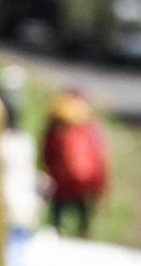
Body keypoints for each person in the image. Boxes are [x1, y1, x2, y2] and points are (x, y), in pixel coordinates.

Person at [40, 90, 110, 238]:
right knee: (83, 219)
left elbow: (47, 155)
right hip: (86, 182)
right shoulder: (92, 127)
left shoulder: (57, 121)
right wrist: (101, 189)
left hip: (61, 181)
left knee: (57, 218)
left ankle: (58, 234)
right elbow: (101, 159)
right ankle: (84, 236)